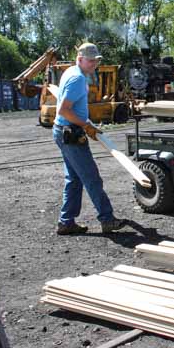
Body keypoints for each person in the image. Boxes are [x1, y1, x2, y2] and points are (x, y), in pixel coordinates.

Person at [52, 43, 125, 235]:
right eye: (90, 60)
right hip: (71, 132)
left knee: (74, 178)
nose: (94, 64)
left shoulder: (71, 72)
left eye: (96, 61)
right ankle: (107, 219)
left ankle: (66, 222)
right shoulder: (76, 78)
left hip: (63, 130)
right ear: (80, 59)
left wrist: (86, 123)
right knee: (91, 177)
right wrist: (85, 125)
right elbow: (63, 110)